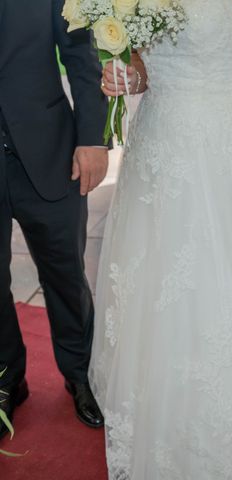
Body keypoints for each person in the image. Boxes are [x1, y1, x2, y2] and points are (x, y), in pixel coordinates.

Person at [89, 0, 232, 478]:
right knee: (160, 302)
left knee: (227, 297)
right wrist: (128, 74)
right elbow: (146, 64)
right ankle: (169, 430)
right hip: (158, 154)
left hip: (229, 151)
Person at [0, 0, 108, 439]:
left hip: (49, 151)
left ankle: (81, 374)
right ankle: (7, 379)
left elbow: (82, 54)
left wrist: (91, 139)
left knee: (65, 270)